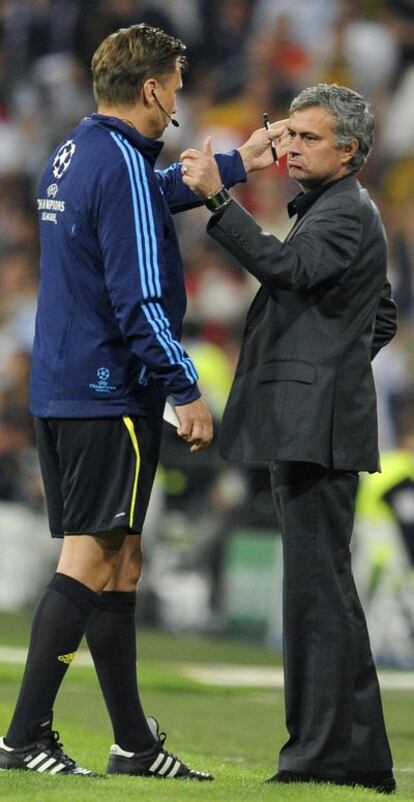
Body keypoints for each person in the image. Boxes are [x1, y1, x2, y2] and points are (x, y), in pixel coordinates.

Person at [0, 23, 283, 779]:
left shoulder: (74, 152)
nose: (180, 99)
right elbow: (139, 297)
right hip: (107, 391)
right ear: (154, 88)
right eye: (179, 85)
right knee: (92, 558)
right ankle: (24, 735)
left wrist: (234, 163)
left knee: (122, 561)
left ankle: (133, 744)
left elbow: (140, 202)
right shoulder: (120, 160)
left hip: (64, 385)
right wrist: (184, 386)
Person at [180, 83, 398, 793]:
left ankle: (316, 758)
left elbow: (286, 268)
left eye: (307, 137)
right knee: (326, 594)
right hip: (316, 422)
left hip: (316, 431)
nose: (290, 145)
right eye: (291, 133)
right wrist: (329, 372)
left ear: (350, 152)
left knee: (314, 599)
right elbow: (383, 318)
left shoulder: (341, 214)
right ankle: (359, 759)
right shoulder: (339, 210)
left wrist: (219, 200)